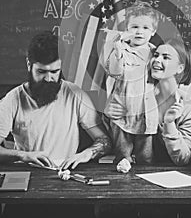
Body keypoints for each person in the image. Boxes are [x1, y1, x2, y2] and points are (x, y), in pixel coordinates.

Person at [0, 31, 112, 217]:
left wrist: (86, 154)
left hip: (68, 180)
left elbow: (104, 140)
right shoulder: (12, 100)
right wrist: (24, 155)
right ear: (29, 65)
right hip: (28, 180)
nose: (48, 79)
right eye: (41, 72)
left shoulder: (75, 94)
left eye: (54, 72)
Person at [106, 38, 191, 218]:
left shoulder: (190, 103)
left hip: (189, 182)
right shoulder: (139, 97)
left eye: (166, 57)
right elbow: (121, 141)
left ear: (180, 68)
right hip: (146, 179)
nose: (157, 60)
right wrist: (112, 116)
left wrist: (170, 124)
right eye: (156, 55)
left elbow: (183, 158)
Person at [103, 0, 159, 164]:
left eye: (145, 28)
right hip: (122, 112)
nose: (139, 32)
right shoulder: (120, 49)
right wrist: (118, 49)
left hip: (146, 114)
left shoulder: (156, 53)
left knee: (146, 159)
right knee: (122, 158)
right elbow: (114, 71)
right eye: (134, 27)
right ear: (126, 29)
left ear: (153, 31)